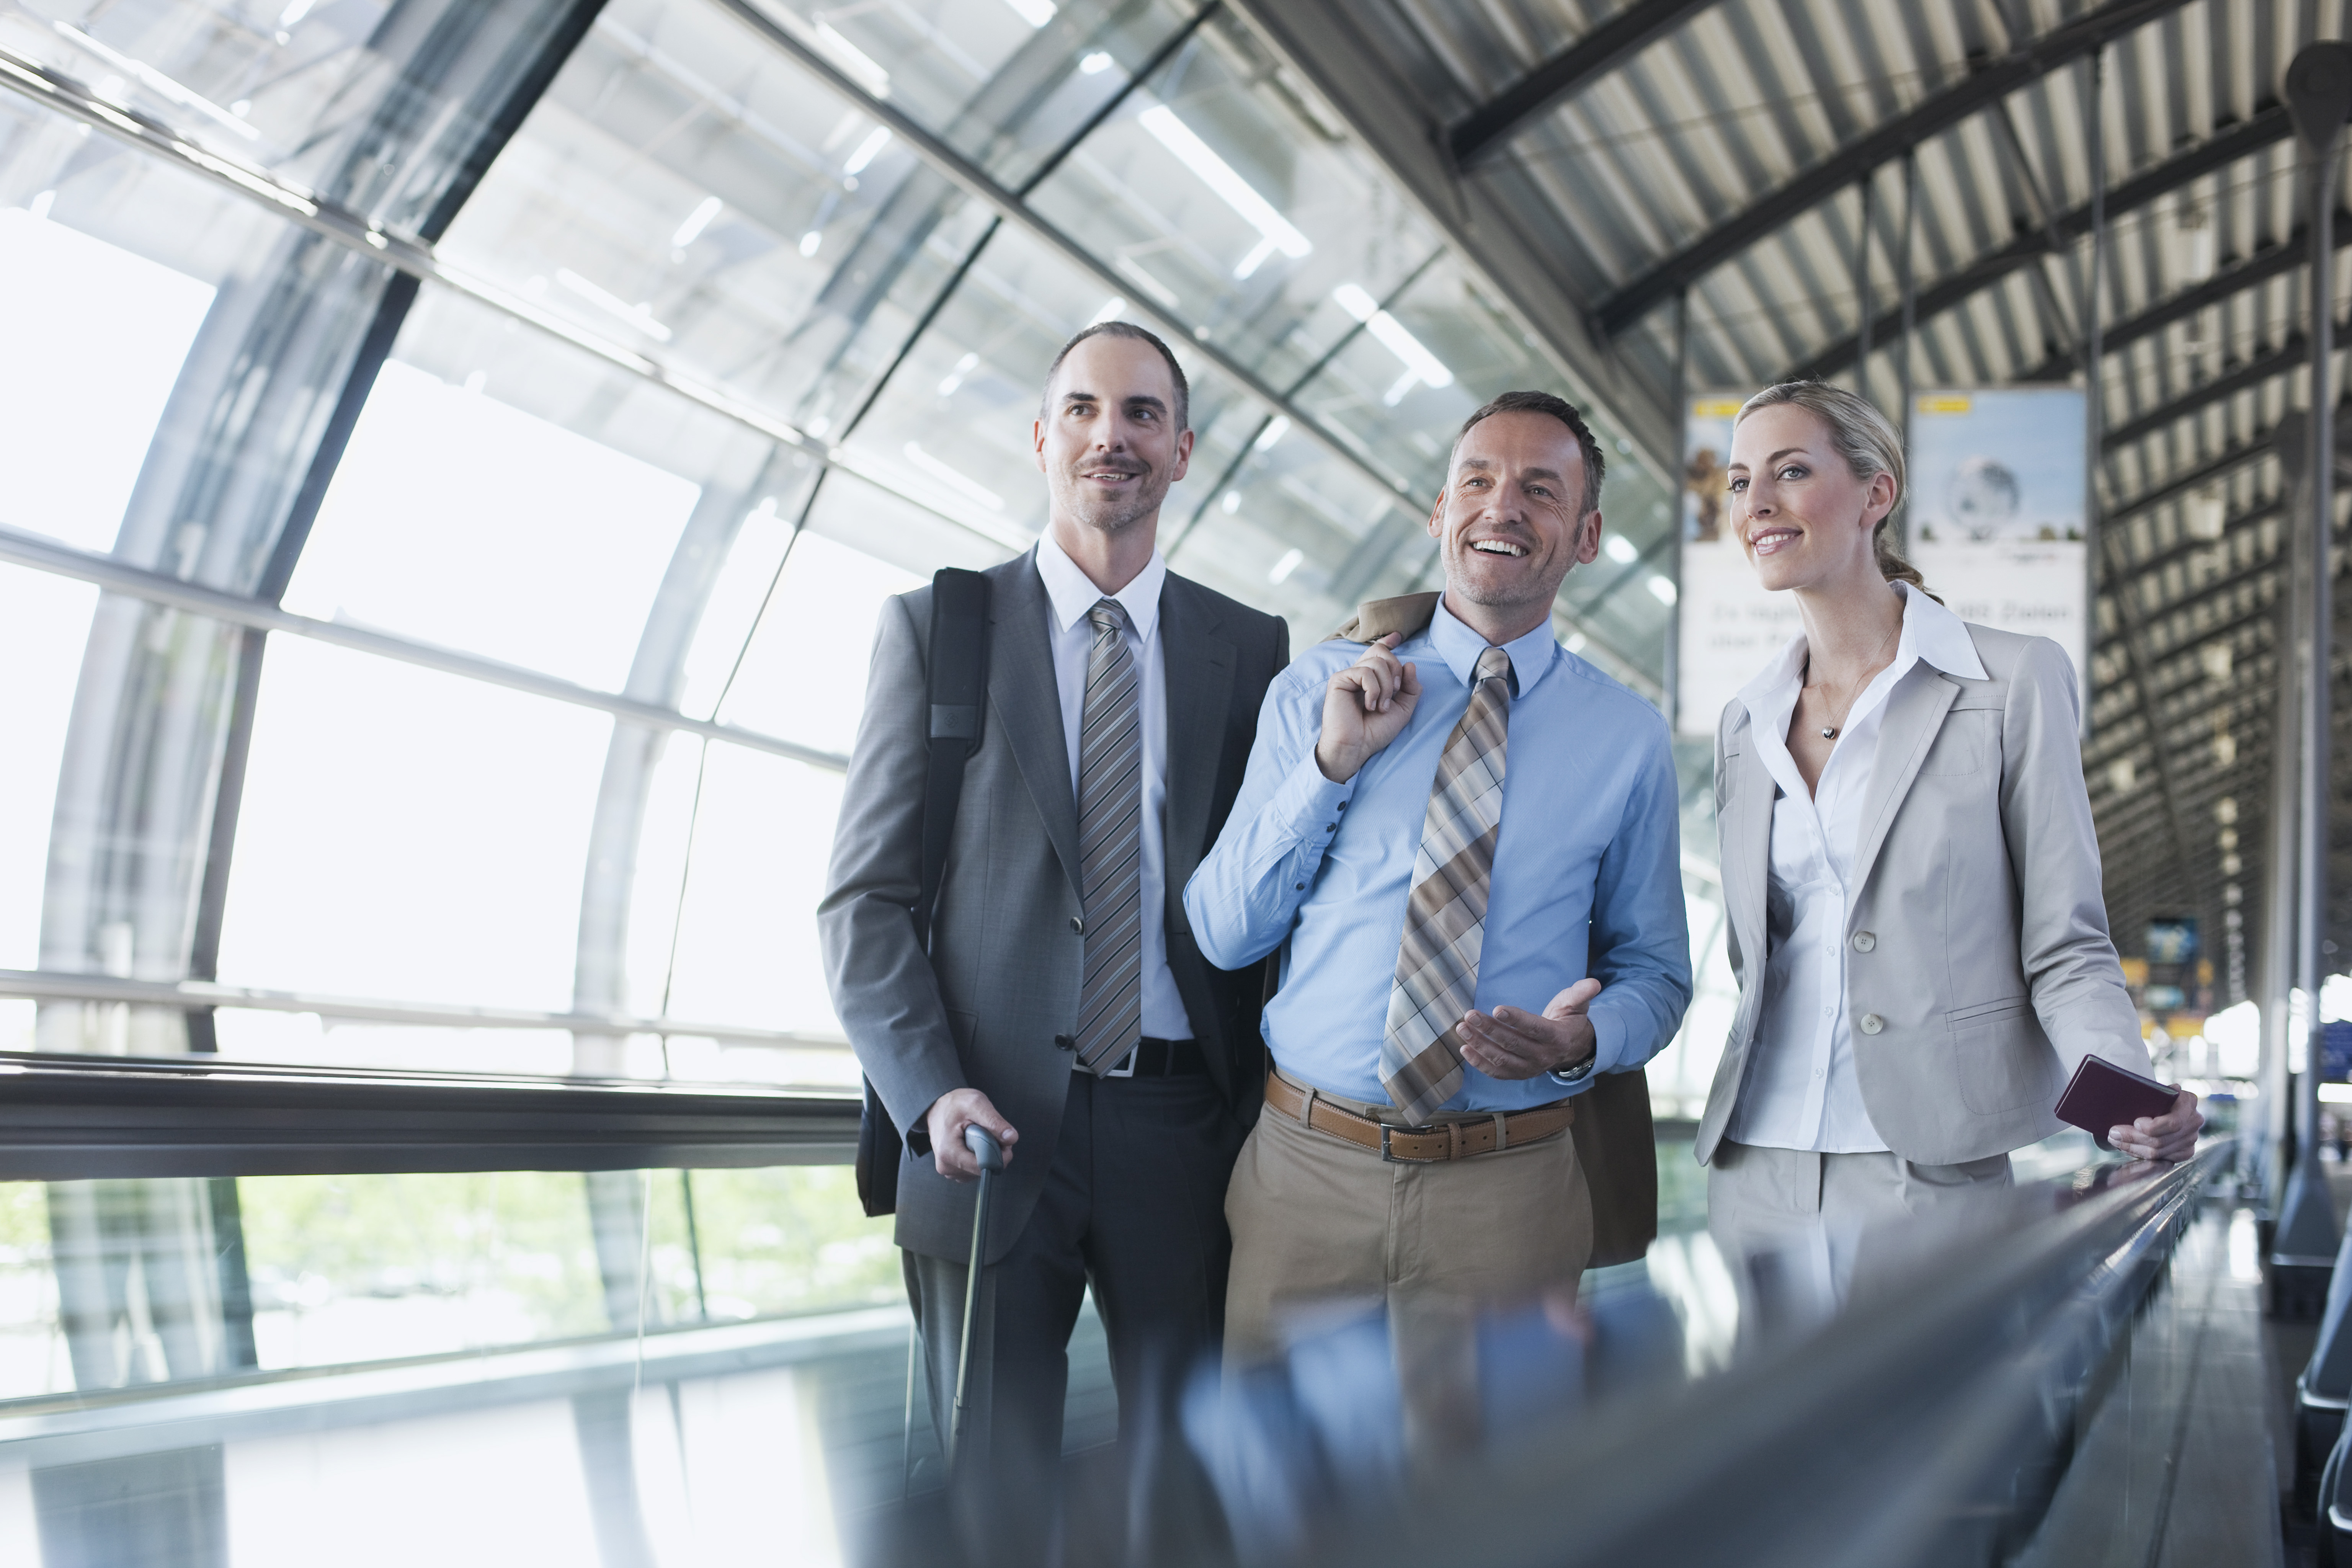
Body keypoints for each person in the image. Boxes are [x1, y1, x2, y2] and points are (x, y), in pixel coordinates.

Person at [817, 322, 1288, 1560]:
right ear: (1042, 438)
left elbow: (1271, 898)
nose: (1109, 435)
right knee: (988, 1497)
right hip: (987, 1129)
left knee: (1188, 1494)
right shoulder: (940, 627)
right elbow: (860, 904)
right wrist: (928, 1093)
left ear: (1181, 452)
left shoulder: (1250, 652)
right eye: (1082, 408)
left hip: (1181, 1131)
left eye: (1141, 415)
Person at [1185, 390, 1693, 1362]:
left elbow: (1660, 973)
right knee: (1285, 1503)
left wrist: (1579, 1039)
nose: (1503, 506)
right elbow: (1224, 931)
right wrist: (1332, 764)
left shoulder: (1627, 740)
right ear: (1439, 511)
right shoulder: (1319, 689)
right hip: (1304, 1175)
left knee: (1497, 1507)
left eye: (1540, 490)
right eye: (1478, 480)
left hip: (1510, 1192)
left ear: (1586, 537)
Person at [1695, 380, 2202, 1324]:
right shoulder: (1745, 719)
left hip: (1929, 1167)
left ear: (1875, 494)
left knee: (1919, 1455)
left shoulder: (2011, 680)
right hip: (1753, 1162)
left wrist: (2130, 1098)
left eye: (1791, 471)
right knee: (1770, 1461)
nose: (1755, 504)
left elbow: (2067, 942)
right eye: (1737, 482)